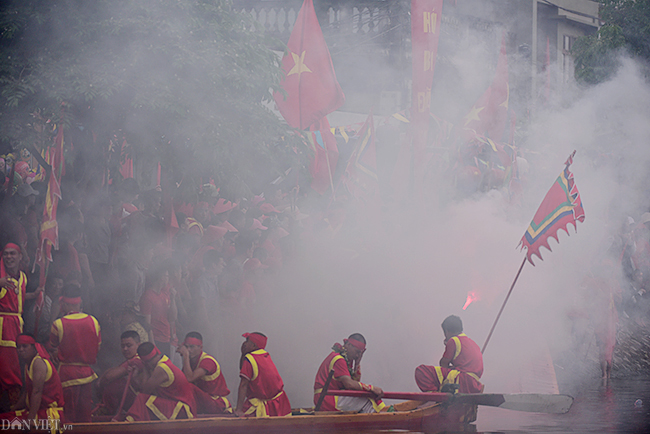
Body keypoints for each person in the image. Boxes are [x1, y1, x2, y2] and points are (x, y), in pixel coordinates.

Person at [48, 284, 101, 422]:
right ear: (80, 303)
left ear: (64, 304)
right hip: (87, 375)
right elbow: (98, 347)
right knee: (85, 415)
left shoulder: (58, 324)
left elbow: (52, 347)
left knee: (68, 415)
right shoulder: (93, 321)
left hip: (67, 375)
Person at [0, 334, 64, 427]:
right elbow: (27, 392)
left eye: (25, 346)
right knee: (3, 418)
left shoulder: (38, 362)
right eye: (18, 347)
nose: (21, 350)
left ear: (34, 347)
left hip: (48, 415)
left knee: (5, 423)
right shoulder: (28, 364)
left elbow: (37, 392)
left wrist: (30, 420)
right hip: (38, 412)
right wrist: (13, 410)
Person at [313, 333, 385, 413]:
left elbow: (354, 384)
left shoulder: (344, 359)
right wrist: (372, 388)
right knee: (368, 400)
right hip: (327, 399)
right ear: (348, 344)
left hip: (328, 397)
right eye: (357, 352)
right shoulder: (339, 360)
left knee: (364, 397)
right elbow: (350, 384)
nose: (358, 355)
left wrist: (357, 364)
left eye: (360, 354)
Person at [125, 342, 196, 421]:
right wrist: (134, 378)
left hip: (182, 409)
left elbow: (145, 391)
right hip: (175, 405)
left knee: (141, 398)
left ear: (146, 362)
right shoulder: (163, 360)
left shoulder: (161, 369)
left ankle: (128, 423)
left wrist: (144, 367)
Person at [414, 315, 483, 394]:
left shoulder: (453, 341)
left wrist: (448, 344)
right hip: (474, 385)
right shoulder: (472, 343)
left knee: (422, 370)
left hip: (462, 381)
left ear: (446, 331)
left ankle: (434, 395)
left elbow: (443, 363)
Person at [234, 332, 291, 417]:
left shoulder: (250, 359)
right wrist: (243, 354)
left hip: (264, 405)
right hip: (279, 405)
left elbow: (243, 385)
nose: (244, 344)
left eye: (247, 341)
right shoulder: (265, 355)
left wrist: (238, 410)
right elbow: (244, 370)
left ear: (254, 346)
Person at [0, 243, 28, 408]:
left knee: (16, 367)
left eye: (12, 254)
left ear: (20, 257)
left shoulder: (23, 276)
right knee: (9, 371)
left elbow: (19, 297)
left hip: (17, 328)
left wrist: (37, 293)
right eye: (6, 254)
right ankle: (13, 409)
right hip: (4, 329)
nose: (9, 257)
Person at [177, 331, 231, 414]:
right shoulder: (190, 361)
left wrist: (185, 356)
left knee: (189, 387)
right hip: (203, 401)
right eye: (186, 347)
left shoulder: (208, 361)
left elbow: (189, 379)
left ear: (200, 347)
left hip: (216, 403)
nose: (188, 350)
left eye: (192, 347)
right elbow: (181, 380)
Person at [95, 330, 143, 416]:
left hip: (141, 402)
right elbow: (112, 371)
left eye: (129, 346)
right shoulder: (131, 359)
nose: (125, 349)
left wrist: (101, 383)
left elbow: (109, 376)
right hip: (136, 399)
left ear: (138, 345)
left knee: (115, 385)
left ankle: (106, 412)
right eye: (123, 346)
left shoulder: (137, 360)